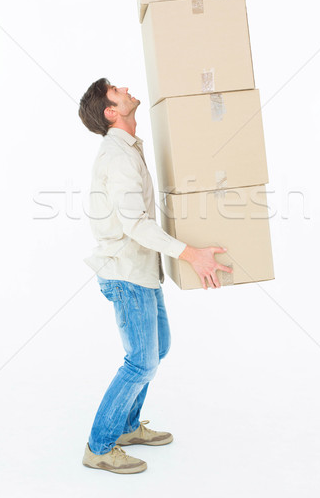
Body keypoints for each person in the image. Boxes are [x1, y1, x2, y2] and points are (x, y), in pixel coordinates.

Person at [78, 78, 233, 474]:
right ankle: (99, 446)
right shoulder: (118, 156)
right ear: (111, 112)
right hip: (126, 271)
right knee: (141, 362)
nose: (125, 87)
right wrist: (192, 254)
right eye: (116, 89)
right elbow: (135, 224)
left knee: (158, 348)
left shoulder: (128, 148)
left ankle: (127, 427)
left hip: (141, 269)